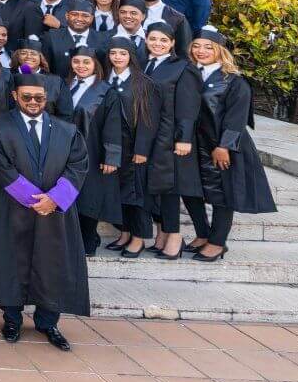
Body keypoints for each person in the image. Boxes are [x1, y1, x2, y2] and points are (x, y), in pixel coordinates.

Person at [0, 73, 91, 351]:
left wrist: (55, 199)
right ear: (15, 96)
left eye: (39, 97)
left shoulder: (66, 130)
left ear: (47, 98)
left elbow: (78, 165)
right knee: (11, 263)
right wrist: (36, 200)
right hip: (13, 208)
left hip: (54, 213)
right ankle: (12, 320)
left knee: (51, 264)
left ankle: (48, 322)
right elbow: (0, 166)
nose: (33, 102)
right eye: (27, 97)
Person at [188, 28, 276, 261]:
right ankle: (203, 234)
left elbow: (236, 117)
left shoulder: (233, 81)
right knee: (190, 190)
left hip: (222, 146)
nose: (201, 51)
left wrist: (224, 146)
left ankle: (217, 242)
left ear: (219, 51)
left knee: (221, 194)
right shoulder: (189, 74)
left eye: (208, 47)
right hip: (194, 144)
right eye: (197, 46)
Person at [143, 22, 204, 259]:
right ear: (146, 40)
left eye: (163, 40)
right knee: (160, 187)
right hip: (151, 135)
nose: (158, 44)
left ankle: (175, 237)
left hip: (173, 137)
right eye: (153, 39)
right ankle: (163, 234)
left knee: (172, 187)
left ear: (172, 43)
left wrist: (184, 137)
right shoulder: (145, 64)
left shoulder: (182, 67)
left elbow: (188, 106)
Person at [102, 39, 157, 258]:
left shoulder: (143, 83)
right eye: (113, 53)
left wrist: (142, 149)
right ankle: (124, 233)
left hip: (134, 146)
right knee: (119, 193)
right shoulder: (105, 78)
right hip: (115, 146)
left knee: (136, 195)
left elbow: (147, 120)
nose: (117, 57)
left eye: (122, 54)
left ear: (131, 57)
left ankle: (138, 238)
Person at [65, 48, 122, 257]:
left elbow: (113, 125)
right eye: (76, 61)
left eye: (86, 62)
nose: (81, 66)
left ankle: (89, 241)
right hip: (66, 150)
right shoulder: (66, 85)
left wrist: (111, 156)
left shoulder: (106, 91)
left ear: (95, 65)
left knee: (89, 196)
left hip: (93, 149)